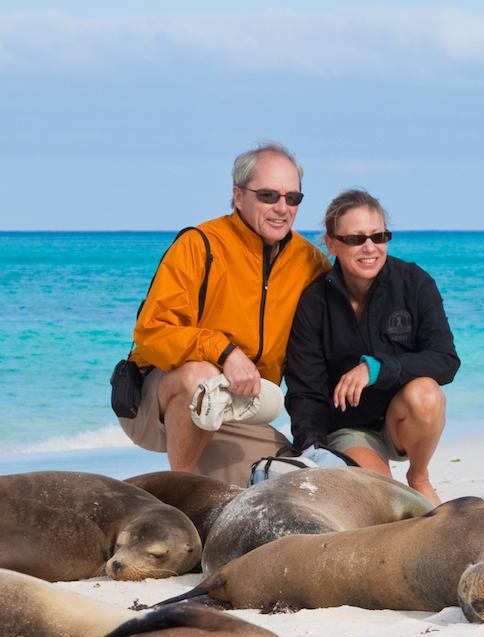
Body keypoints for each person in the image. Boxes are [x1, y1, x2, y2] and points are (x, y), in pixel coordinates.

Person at [118, 142, 331, 486]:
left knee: (290, 482)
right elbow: (152, 332)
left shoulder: (310, 262)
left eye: (292, 198)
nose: (282, 208)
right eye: (268, 196)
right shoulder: (199, 245)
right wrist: (225, 353)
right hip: (158, 402)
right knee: (200, 376)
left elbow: (325, 346)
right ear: (238, 196)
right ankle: (181, 491)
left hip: (242, 408)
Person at [285, 189, 459, 504]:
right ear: (332, 244)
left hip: (404, 420)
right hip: (350, 428)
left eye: (378, 236)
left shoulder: (415, 283)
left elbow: (446, 361)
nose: (370, 248)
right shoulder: (313, 301)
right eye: (355, 239)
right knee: (387, 504)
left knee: (427, 394)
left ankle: (419, 477)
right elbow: (305, 389)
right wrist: (312, 450)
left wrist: (376, 368)